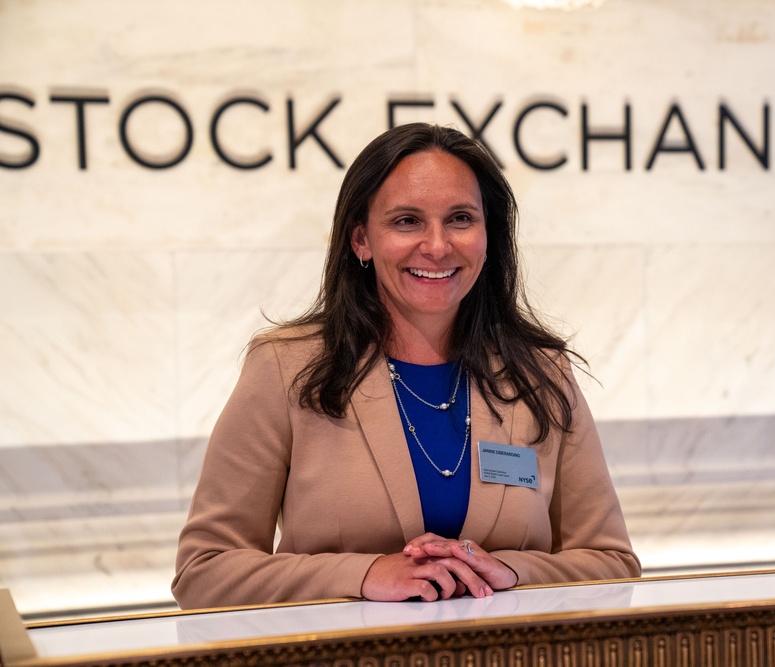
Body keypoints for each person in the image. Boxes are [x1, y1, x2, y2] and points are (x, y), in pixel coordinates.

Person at [172, 123, 640, 609]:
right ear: (361, 240)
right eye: (407, 221)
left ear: (488, 237)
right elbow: (204, 571)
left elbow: (611, 562)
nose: (437, 246)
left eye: (460, 218)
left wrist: (512, 570)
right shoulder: (285, 368)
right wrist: (365, 573)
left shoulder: (541, 374)